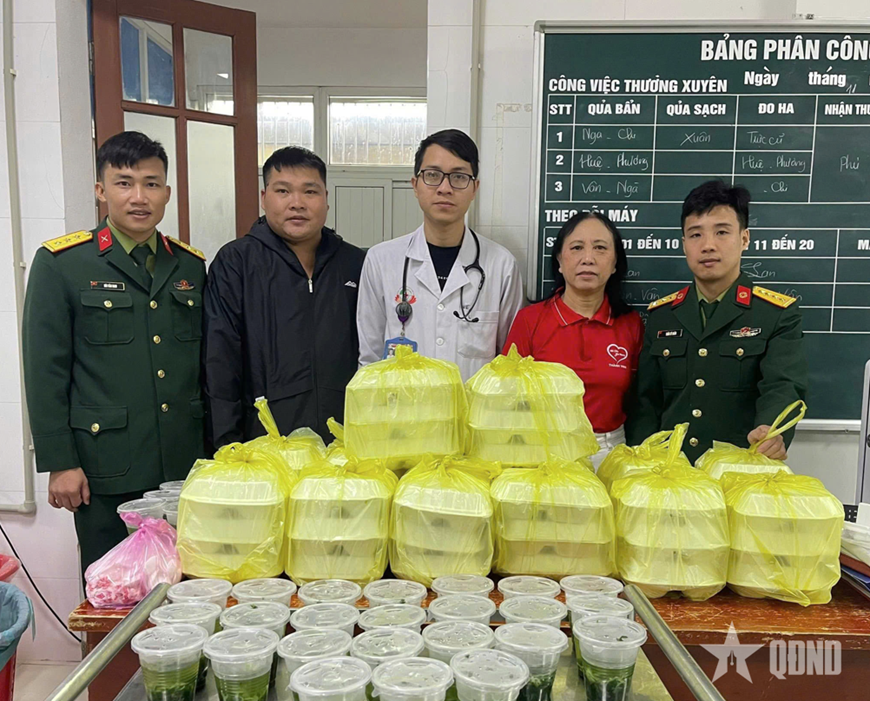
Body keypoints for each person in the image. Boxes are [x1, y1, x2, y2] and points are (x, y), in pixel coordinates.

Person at [22, 131, 207, 573]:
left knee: (190, 586)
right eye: (124, 183)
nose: (139, 197)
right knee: (112, 590)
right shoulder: (63, 263)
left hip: (184, 466)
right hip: (105, 468)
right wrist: (61, 462)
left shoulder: (189, 265)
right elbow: (45, 370)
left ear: (167, 192)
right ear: (101, 190)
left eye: (151, 183)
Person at [626, 180, 808, 464]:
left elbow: (782, 385)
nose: (708, 245)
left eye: (722, 232)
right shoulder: (663, 315)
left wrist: (773, 430)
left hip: (739, 472)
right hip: (671, 473)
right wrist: (643, 460)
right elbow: (645, 402)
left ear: (744, 239)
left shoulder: (775, 314)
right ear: (684, 244)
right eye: (695, 234)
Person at [203, 146, 365, 446]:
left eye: (310, 192)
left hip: (347, 446)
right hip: (264, 447)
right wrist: (227, 447)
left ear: (326, 199)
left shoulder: (356, 263)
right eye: (283, 191)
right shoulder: (236, 263)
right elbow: (220, 363)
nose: (297, 203)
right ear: (264, 198)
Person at [356, 129, 524, 381]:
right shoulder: (381, 261)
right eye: (433, 175)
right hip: (401, 406)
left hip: (472, 407)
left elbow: (510, 363)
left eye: (459, 177)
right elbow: (369, 361)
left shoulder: (501, 266)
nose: (445, 188)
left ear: (475, 188)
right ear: (415, 185)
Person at [503, 211, 643, 469]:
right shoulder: (529, 320)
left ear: (615, 263)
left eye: (600, 248)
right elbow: (507, 399)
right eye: (577, 247)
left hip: (610, 453)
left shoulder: (631, 324)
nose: (588, 258)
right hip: (542, 455)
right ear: (559, 260)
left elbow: (640, 400)